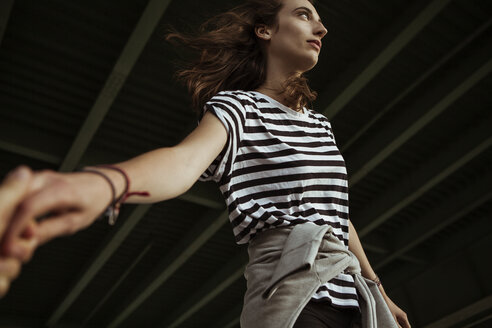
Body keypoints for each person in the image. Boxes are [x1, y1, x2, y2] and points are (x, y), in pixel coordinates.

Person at [0, 0, 411, 327]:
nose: (321, 28)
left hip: (356, 303)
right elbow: (183, 162)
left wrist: (380, 291)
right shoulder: (238, 107)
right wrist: (106, 184)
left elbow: (337, 217)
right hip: (294, 295)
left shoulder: (321, 126)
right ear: (265, 30)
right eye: (305, 15)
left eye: (320, 20)